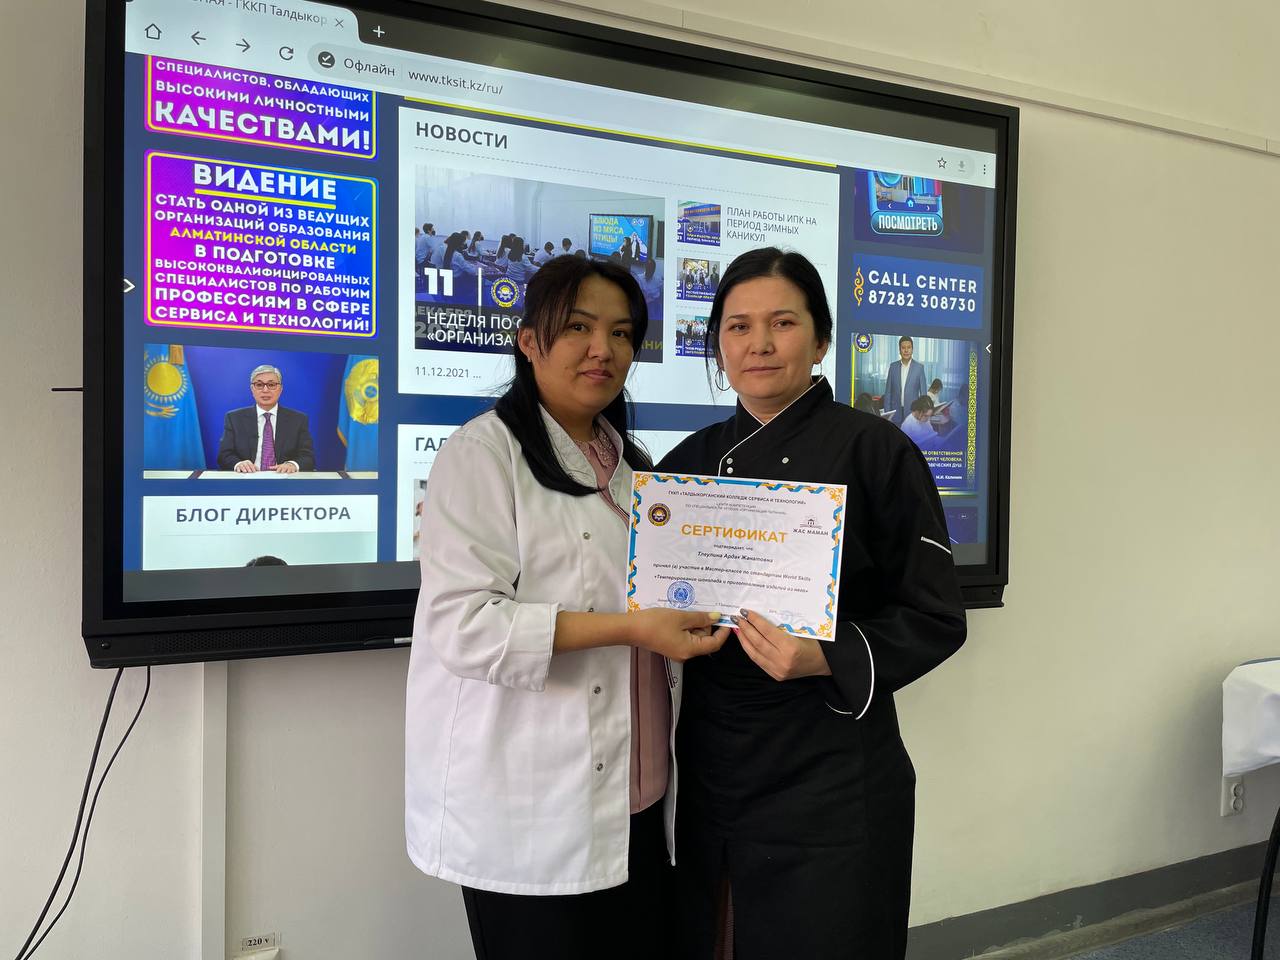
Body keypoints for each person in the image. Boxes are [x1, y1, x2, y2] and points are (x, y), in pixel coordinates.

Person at [405, 256, 730, 960]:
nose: (602, 350)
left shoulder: (634, 468)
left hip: (639, 798)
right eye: (578, 328)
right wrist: (634, 628)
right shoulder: (482, 455)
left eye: (621, 333)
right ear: (529, 341)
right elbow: (465, 627)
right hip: (532, 808)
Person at [657, 247, 966, 960]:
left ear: (821, 340)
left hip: (830, 769)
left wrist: (825, 656)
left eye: (783, 322)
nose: (759, 343)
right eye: (738, 327)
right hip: (715, 762)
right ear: (718, 346)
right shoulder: (687, 465)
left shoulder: (878, 452)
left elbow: (936, 616)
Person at [216, 364, 315, 473]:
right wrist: (239, 464)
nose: (265, 390)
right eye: (259, 385)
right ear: (252, 389)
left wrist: (292, 464)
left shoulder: (298, 420)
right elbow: (224, 456)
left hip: (283, 478)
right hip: (247, 477)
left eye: (271, 385)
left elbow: (308, 457)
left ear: (280, 389)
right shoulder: (234, 418)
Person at [883, 335, 927, 425]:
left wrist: (922, 414)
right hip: (895, 414)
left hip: (913, 414)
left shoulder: (919, 368)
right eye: (903, 348)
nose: (906, 350)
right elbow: (888, 393)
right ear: (899, 350)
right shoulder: (893, 367)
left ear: (912, 350)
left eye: (909, 347)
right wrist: (888, 414)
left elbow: (923, 395)